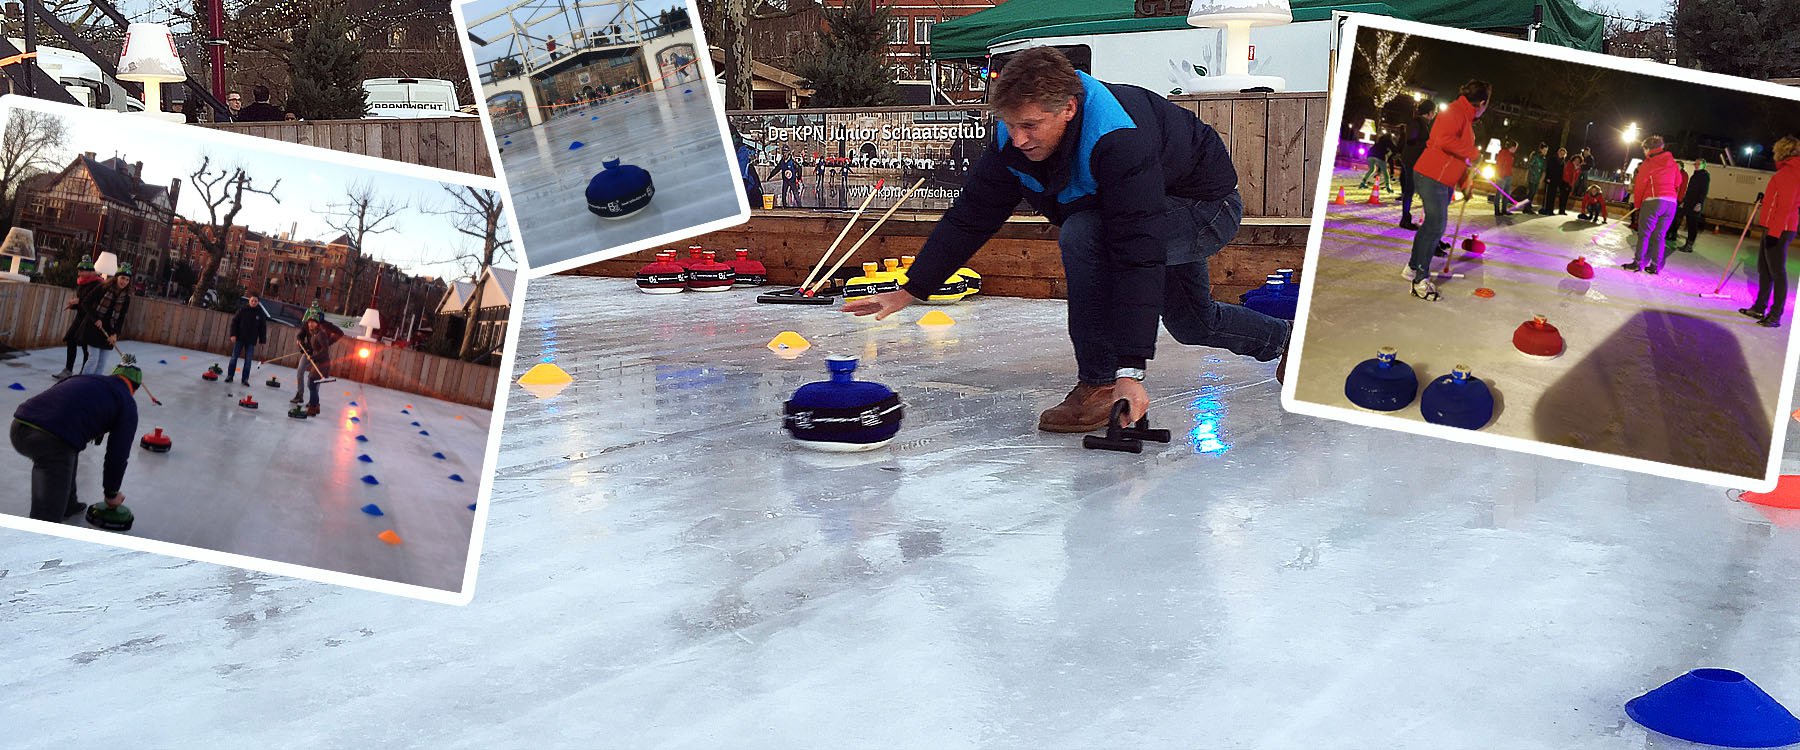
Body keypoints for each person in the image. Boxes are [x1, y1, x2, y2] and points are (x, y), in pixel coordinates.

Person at [840, 47, 1290, 431]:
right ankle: (1289, 342)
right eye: (1011, 124)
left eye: (1031, 126)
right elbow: (971, 216)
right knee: (1194, 324)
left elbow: (1138, 252)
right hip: (1147, 208)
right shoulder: (1013, 137)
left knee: (1086, 233)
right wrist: (912, 288)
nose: (1018, 139)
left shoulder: (1117, 138)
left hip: (1203, 206)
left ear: (1069, 109)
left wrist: (1128, 370)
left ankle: (1098, 384)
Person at [10, 359, 142, 523]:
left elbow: (56, 402)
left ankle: (68, 504)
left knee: (70, 447)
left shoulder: (85, 378)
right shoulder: (126, 402)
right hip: (50, 440)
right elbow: (118, 454)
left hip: (19, 426)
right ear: (134, 388)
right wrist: (111, 494)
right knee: (46, 521)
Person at [1406, 80, 1490, 302]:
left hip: (1441, 178)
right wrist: (1473, 152)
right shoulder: (1455, 111)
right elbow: (1444, 140)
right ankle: (1420, 282)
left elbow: (1458, 158)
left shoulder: (1465, 118)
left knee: (1431, 226)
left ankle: (1413, 268)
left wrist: (1465, 183)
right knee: (1436, 226)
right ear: (1482, 102)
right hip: (1432, 175)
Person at [1741, 136, 1800, 328]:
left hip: (1780, 229)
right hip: (1775, 227)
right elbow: (1778, 199)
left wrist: (1774, 233)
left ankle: (1775, 315)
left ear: (1782, 151)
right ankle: (1760, 306)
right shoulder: (1786, 171)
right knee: (1764, 268)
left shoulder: (1790, 172)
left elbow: (1786, 206)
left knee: (1777, 271)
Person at [1624, 134, 1682, 275]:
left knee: (1644, 234)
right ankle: (1655, 265)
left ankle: (1637, 262)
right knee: (1659, 236)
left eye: (1644, 150)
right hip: (1671, 203)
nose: (1644, 153)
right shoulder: (1673, 163)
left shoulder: (1648, 163)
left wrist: (1637, 204)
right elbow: (1678, 182)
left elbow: (1639, 185)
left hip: (1654, 201)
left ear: (1649, 149)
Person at [52, 256, 104, 380]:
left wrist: (79, 302)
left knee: (86, 346)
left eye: (82, 270)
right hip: (81, 316)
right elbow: (82, 303)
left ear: (91, 272)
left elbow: (93, 303)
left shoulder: (97, 284)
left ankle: (83, 373)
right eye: (79, 270)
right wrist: (74, 305)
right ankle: (68, 369)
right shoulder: (81, 283)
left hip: (89, 318)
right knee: (71, 339)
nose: (79, 273)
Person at [75, 265, 133, 375]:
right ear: (116, 277)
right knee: (93, 359)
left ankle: (96, 386)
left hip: (108, 333)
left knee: (102, 362)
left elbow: (121, 318)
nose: (124, 282)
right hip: (93, 328)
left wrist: (115, 334)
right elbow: (85, 302)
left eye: (127, 280)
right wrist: (96, 318)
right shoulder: (103, 287)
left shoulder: (126, 298)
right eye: (122, 278)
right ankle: (83, 383)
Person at [1397, 100, 1437, 230]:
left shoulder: (1424, 124)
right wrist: (1427, 144)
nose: (1434, 114)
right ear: (1430, 112)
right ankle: (1405, 219)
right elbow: (1411, 140)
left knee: (1412, 190)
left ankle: (1408, 218)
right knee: (1409, 190)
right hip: (1412, 162)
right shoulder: (1417, 122)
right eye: (1434, 111)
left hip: (1417, 162)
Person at [296, 317, 344, 417]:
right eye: (309, 323)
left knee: (312, 383)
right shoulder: (315, 334)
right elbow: (315, 348)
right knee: (312, 383)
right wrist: (303, 347)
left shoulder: (321, 334)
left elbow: (324, 350)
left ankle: (312, 408)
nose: (310, 324)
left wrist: (313, 357)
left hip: (322, 363)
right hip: (318, 362)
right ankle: (316, 406)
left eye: (313, 323)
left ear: (317, 324)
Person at [1668, 159, 1710, 252]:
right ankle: (1686, 243)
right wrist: (1684, 201)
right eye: (1695, 163)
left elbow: (1704, 191)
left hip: (1695, 205)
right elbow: (1690, 190)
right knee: (1688, 222)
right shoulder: (1695, 174)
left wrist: (1699, 203)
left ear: (1703, 165)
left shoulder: (1704, 175)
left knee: (1692, 224)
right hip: (1689, 203)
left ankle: (1689, 245)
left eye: (1698, 164)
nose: (1696, 165)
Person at [226, 295, 268, 386]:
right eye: (252, 300)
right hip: (240, 338)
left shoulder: (260, 313)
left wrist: (262, 340)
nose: (254, 302)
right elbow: (234, 322)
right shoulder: (242, 310)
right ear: (249, 301)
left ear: (258, 302)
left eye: (255, 301)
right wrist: (233, 334)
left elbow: (262, 328)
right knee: (234, 358)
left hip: (251, 340)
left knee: (248, 360)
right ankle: (230, 376)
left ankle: (245, 379)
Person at [1492, 139, 1517, 216]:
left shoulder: (1511, 155)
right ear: (1512, 147)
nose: (1516, 150)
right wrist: (1500, 175)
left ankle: (1504, 209)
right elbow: (1499, 165)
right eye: (1515, 148)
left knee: (1506, 194)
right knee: (1499, 193)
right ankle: (1497, 210)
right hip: (1502, 176)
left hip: (1508, 176)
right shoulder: (1503, 153)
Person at [1541, 147, 1567, 215]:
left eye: (1563, 154)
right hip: (1550, 179)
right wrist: (1547, 177)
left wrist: (1560, 182)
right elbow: (1548, 168)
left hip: (1556, 181)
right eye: (1561, 153)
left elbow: (1561, 173)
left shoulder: (1563, 162)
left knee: (1553, 196)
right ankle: (1545, 209)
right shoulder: (1552, 159)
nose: (1562, 154)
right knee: (1548, 195)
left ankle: (1550, 210)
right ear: (1558, 152)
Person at [1524, 143, 1547, 210]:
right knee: (1531, 192)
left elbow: (1543, 169)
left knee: (1533, 192)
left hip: (1538, 178)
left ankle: (1528, 205)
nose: (1545, 152)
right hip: (1532, 177)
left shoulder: (1543, 159)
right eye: (1544, 150)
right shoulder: (1535, 156)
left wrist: (1541, 178)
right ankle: (1526, 207)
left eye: (1546, 150)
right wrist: (1529, 175)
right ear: (1541, 149)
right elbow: (1529, 166)